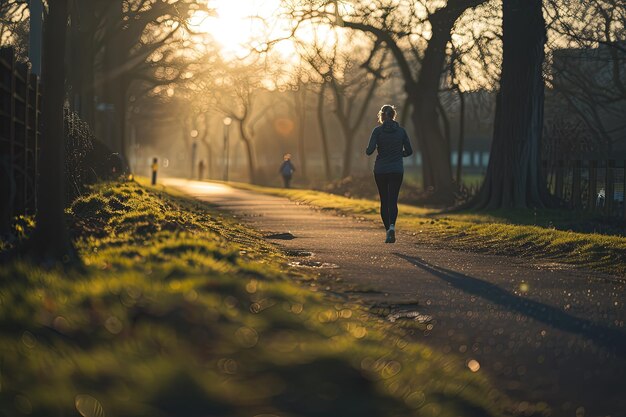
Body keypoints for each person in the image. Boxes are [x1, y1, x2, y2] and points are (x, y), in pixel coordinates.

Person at [366, 104, 413, 243]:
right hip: (397, 170)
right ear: (393, 115)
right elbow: (409, 151)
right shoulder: (402, 132)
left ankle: (388, 230)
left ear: (382, 116)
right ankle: (392, 226)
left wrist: (372, 148)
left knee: (384, 200)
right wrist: (399, 154)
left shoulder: (377, 131)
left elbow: (369, 151)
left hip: (380, 170)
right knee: (393, 200)